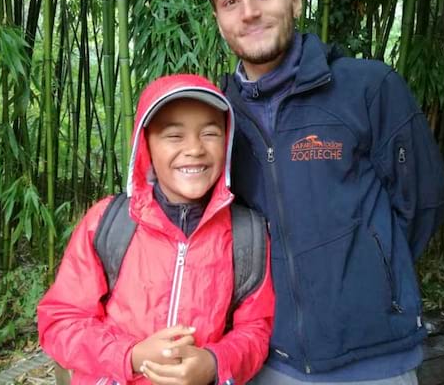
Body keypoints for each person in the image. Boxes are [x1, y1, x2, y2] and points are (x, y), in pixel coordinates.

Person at [198, 0, 444, 385]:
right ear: (218, 19)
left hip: (374, 359)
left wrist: (371, 275)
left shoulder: (369, 87)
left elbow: (421, 204)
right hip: (265, 357)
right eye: (230, 1)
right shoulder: (216, 117)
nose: (249, 11)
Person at [37, 74, 275, 385]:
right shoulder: (109, 222)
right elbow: (60, 320)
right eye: (174, 136)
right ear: (146, 144)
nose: (194, 149)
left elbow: (255, 329)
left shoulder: (247, 233)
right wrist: (131, 356)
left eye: (210, 133)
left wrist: (215, 363)